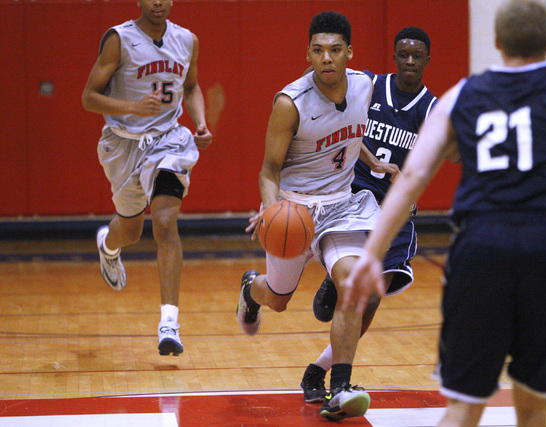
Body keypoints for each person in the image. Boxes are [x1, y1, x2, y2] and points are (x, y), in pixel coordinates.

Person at [342, 0, 546, 426]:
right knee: (536, 407)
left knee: (463, 408)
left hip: (480, 249)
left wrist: (372, 254)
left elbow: (412, 176)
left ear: (497, 41)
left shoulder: (460, 94)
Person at [236, 11, 398, 421]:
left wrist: (373, 163)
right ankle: (250, 290)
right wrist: (272, 207)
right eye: (319, 50)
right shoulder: (290, 103)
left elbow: (349, 132)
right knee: (277, 300)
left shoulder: (364, 85)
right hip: (294, 209)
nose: (327, 58)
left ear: (349, 53)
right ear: (308, 54)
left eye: (335, 50)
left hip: (342, 206)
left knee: (352, 284)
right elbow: (268, 169)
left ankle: (340, 387)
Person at [300, 26, 440, 404]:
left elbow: (427, 162)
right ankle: (337, 279)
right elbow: (339, 121)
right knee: (355, 289)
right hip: (353, 195)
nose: (410, 61)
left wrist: (412, 194)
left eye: (417, 56)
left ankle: (318, 370)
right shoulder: (369, 85)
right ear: (394, 56)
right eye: (403, 54)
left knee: (373, 298)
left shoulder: (431, 108)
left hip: (393, 208)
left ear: (428, 60)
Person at [81, 0, 212, 357]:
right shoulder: (118, 39)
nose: (157, 2)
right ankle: (109, 245)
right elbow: (89, 98)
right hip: (123, 144)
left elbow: (192, 87)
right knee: (132, 231)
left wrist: (199, 122)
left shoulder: (187, 40)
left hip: (169, 140)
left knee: (166, 222)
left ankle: (169, 323)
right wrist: (132, 108)